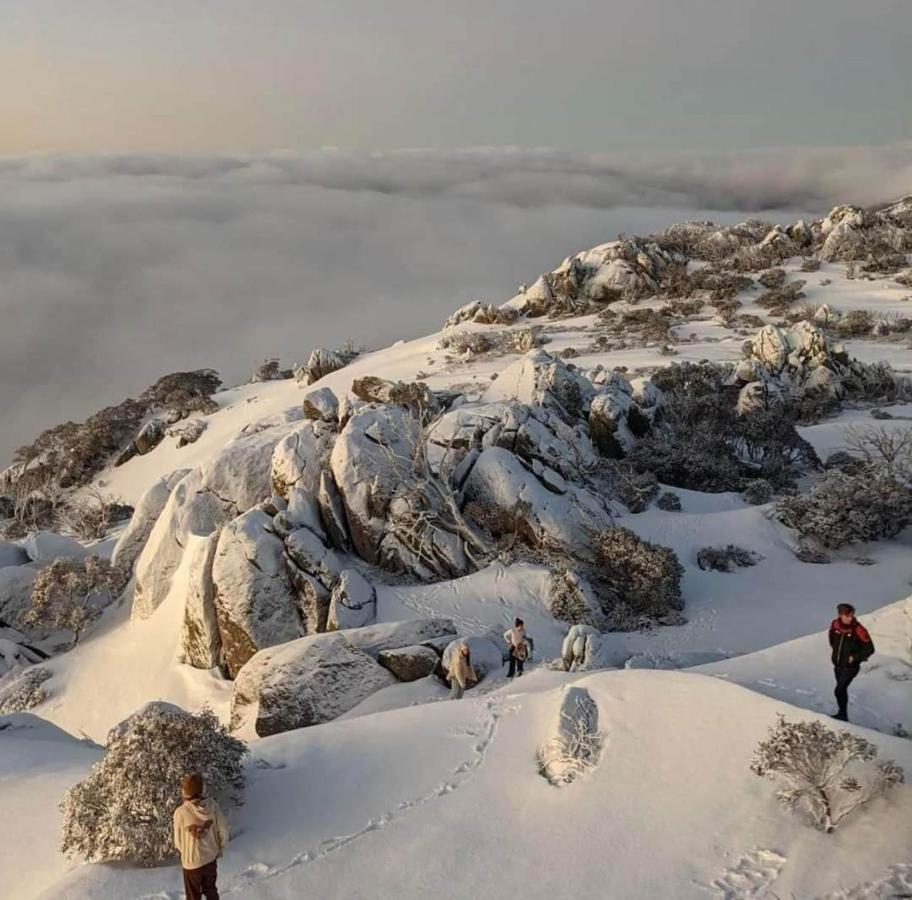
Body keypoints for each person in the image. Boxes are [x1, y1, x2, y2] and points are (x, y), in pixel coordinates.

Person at [173, 773, 229, 900]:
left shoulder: (180, 813)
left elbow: (178, 841)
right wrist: (219, 848)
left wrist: (188, 852)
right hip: (210, 858)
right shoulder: (213, 806)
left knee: (193, 896)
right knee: (211, 891)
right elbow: (223, 830)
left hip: (191, 864)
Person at [829, 603, 874, 722]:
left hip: (851, 667)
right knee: (841, 690)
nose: (851, 618)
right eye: (848, 615)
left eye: (852, 615)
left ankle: (842, 715)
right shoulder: (835, 624)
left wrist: (854, 657)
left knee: (839, 689)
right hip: (838, 664)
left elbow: (870, 649)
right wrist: (836, 653)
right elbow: (832, 639)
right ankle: (842, 714)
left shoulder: (859, 629)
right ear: (841, 615)